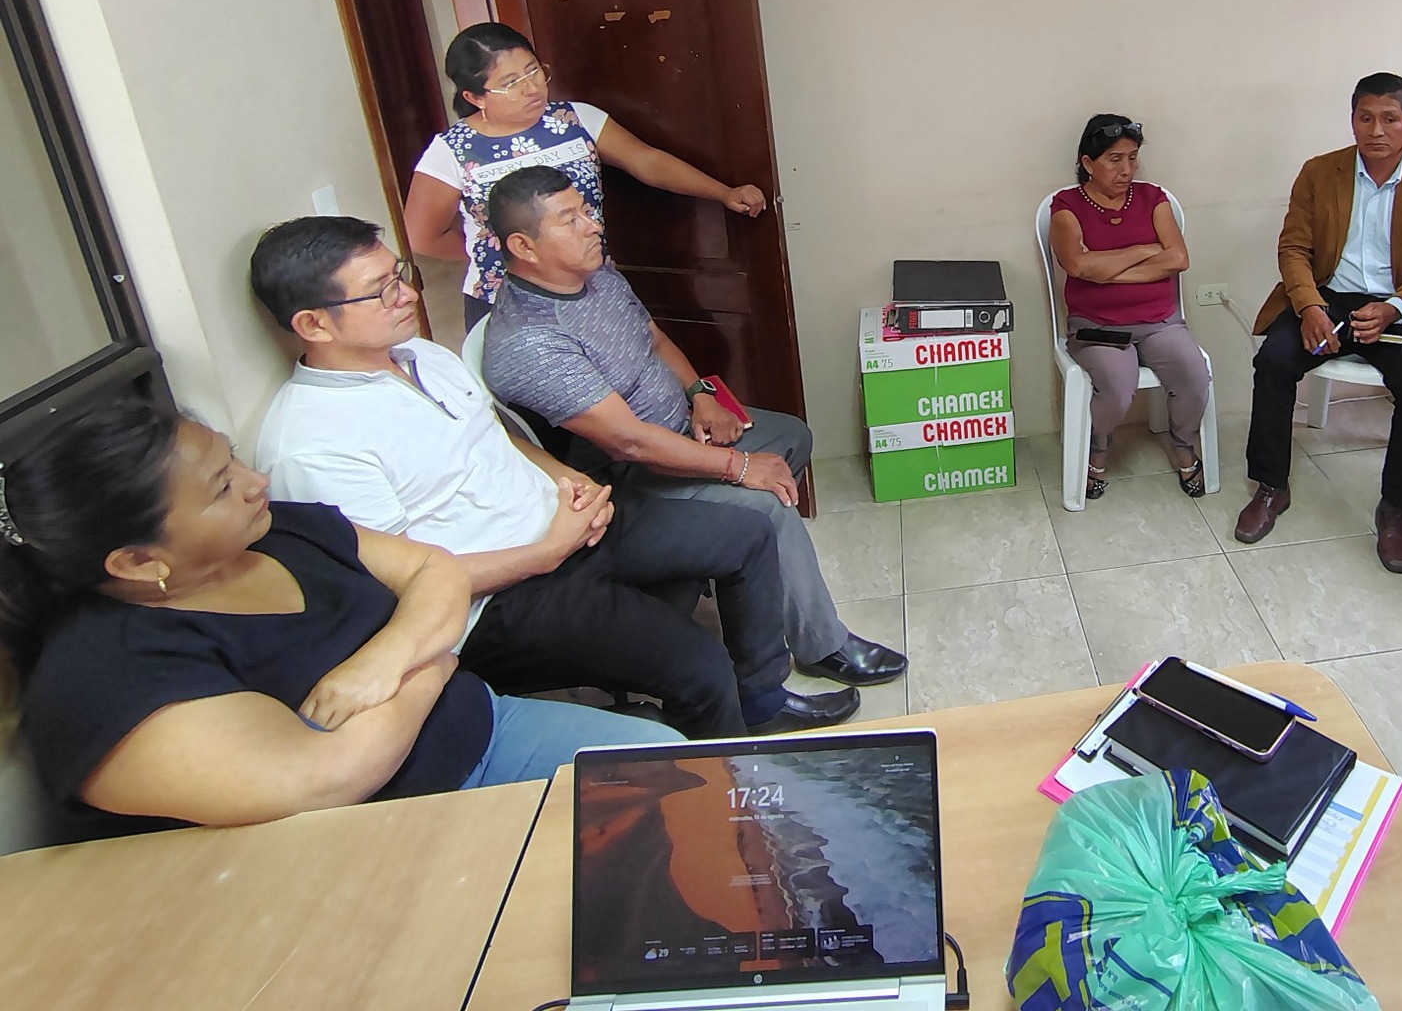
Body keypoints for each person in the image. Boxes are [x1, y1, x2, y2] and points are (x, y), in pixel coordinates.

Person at [250, 216, 858, 738]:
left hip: (563, 524)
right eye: (380, 291)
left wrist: (567, 478)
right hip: (497, 600)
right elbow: (397, 582)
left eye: (399, 276)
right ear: (314, 325)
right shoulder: (312, 445)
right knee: (698, 664)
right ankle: (722, 783)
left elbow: (497, 436)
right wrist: (544, 553)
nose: (407, 295)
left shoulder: (420, 356)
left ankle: (763, 701)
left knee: (745, 534)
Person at [0, 396, 655, 835]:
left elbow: (438, 572)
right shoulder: (106, 674)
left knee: (673, 776)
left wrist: (387, 660)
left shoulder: (273, 528)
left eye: (232, 458)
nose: (256, 481)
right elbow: (328, 776)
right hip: (385, 833)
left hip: (487, 727)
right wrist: (432, 664)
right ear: (139, 562)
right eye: (222, 487)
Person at [478, 167, 906, 688]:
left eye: (587, 211)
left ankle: (743, 573)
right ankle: (822, 646)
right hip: (629, 476)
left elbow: (653, 339)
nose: (593, 225)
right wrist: (738, 467)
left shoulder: (595, 275)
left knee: (791, 436)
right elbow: (629, 442)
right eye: (571, 220)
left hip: (679, 427)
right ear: (523, 246)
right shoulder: (531, 341)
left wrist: (701, 395)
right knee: (766, 507)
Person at [403, 22, 768, 328]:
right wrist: (495, 252)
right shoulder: (454, 150)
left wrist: (723, 192)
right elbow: (422, 236)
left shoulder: (575, 120)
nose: (532, 88)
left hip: (593, 288)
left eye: (533, 71)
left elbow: (647, 161)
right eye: (511, 82)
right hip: (507, 303)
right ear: (475, 97)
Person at [1240, 73, 1402, 573]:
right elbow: (1294, 248)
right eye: (1366, 118)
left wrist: (1394, 308)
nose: (1376, 130)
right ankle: (1271, 486)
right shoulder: (1320, 173)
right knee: (1273, 361)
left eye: (1390, 119)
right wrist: (1310, 307)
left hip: (1399, 304)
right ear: (1353, 120)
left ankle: (1395, 507)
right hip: (1328, 297)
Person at [1046, 114, 1211, 508]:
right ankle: (1097, 450)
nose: (1126, 170)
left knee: (1194, 375)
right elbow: (1078, 265)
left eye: (1133, 158)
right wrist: (1142, 250)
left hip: (1160, 321)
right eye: (1115, 160)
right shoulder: (1066, 206)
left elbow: (1179, 258)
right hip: (1097, 326)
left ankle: (1183, 444)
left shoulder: (1154, 199)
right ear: (1088, 163)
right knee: (1118, 385)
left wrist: (1106, 268)